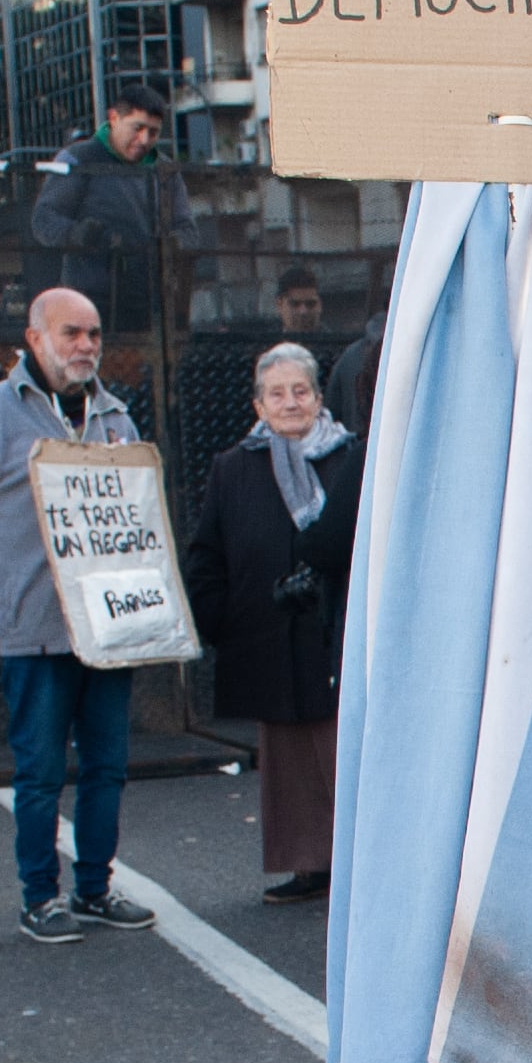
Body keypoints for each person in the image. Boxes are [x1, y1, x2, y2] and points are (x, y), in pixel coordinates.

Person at [0, 287, 161, 944]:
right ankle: (40, 897)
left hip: (109, 632)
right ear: (35, 339)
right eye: (71, 333)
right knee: (38, 772)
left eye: (93, 334)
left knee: (107, 767)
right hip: (34, 636)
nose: (86, 346)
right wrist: (4, 603)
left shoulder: (115, 417)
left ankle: (93, 887)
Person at [181, 342, 361, 905]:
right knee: (286, 760)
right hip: (267, 635)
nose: (290, 403)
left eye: (300, 391)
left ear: (317, 396)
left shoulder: (350, 457)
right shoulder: (233, 468)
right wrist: (218, 621)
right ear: (258, 405)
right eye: (276, 394)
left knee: (344, 753)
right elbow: (208, 551)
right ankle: (308, 865)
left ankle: (357, 867)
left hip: (335, 635)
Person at [30, 82, 194, 316]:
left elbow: (188, 229)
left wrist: (172, 244)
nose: (144, 139)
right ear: (114, 118)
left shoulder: (166, 171)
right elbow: (43, 219)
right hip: (89, 302)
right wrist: (78, 235)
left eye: (154, 132)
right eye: (137, 128)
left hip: (151, 304)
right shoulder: (78, 158)